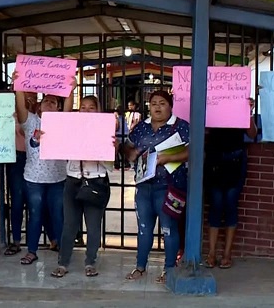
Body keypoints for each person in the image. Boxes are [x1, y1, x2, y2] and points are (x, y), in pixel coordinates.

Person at [121, 90, 190, 284]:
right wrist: (130, 153)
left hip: (170, 187)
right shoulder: (141, 127)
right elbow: (127, 147)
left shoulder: (181, 126)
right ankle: (140, 267)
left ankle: (169, 269)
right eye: (153, 104)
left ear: (170, 106)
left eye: (162, 103)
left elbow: (192, 151)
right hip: (143, 186)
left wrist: (168, 158)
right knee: (144, 228)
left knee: (169, 228)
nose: (157, 107)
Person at [12, 71, 74, 265]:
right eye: (46, 100)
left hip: (57, 178)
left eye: (54, 102)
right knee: (35, 214)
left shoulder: (62, 122)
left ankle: (63, 250)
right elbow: (20, 105)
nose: (49, 103)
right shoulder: (31, 121)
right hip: (33, 180)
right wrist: (18, 85)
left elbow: (69, 104)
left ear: (58, 107)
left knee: (58, 214)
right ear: (39, 106)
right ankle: (32, 250)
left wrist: (72, 87)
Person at [50, 95, 114, 278]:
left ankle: (90, 262)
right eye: (83, 107)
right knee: (69, 224)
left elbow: (111, 166)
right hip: (73, 180)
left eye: (91, 107)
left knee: (93, 226)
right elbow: (57, 136)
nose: (86, 111)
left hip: (96, 181)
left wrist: (101, 153)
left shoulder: (105, 131)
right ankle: (63, 263)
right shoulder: (71, 129)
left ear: (98, 110)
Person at [203, 97, 257, 269]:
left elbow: (252, 133)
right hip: (214, 159)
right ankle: (211, 253)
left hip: (235, 158)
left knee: (230, 204)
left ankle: (227, 253)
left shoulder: (242, 106)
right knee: (216, 205)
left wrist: (247, 111)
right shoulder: (212, 102)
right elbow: (201, 129)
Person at [3, 92, 34, 256]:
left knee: (34, 202)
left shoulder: (37, 115)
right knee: (17, 201)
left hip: (34, 159)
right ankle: (16, 241)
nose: (30, 98)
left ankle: (42, 241)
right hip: (16, 158)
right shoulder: (9, 113)